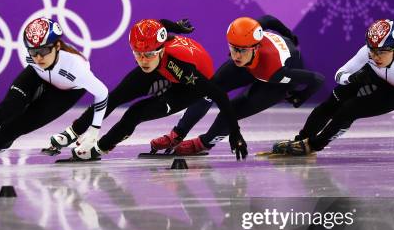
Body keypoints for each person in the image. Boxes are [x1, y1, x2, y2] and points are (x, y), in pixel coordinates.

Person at [272, 19, 394, 162]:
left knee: (350, 109)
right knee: (331, 103)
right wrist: (351, 79)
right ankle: (299, 140)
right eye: (372, 50)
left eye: (381, 52)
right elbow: (340, 73)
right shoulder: (369, 54)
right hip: (374, 74)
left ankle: (313, 145)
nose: (375, 56)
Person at [51, 18, 248, 161]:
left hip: (187, 84)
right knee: (115, 97)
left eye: (148, 54)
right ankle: (73, 132)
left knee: (135, 113)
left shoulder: (180, 68)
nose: (143, 60)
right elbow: (161, 23)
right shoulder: (152, 52)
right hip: (160, 67)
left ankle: (100, 148)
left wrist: (235, 132)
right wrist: (178, 27)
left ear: (161, 49)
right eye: (138, 54)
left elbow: (219, 94)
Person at [0, 17, 108, 172]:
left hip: (66, 92)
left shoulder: (75, 68)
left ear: (57, 46)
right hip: (38, 76)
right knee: (6, 109)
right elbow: (36, 62)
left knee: (14, 128)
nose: (38, 57)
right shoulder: (33, 58)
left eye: (43, 51)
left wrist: (94, 130)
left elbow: (102, 93)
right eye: (33, 52)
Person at [149, 15, 324, 155]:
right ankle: (177, 134)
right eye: (233, 48)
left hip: (275, 80)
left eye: (241, 50)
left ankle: (205, 142)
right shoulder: (251, 31)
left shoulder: (274, 71)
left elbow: (317, 79)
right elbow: (269, 19)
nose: (236, 55)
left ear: (255, 48)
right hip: (253, 65)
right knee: (206, 89)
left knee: (233, 109)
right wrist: (288, 34)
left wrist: (301, 96)